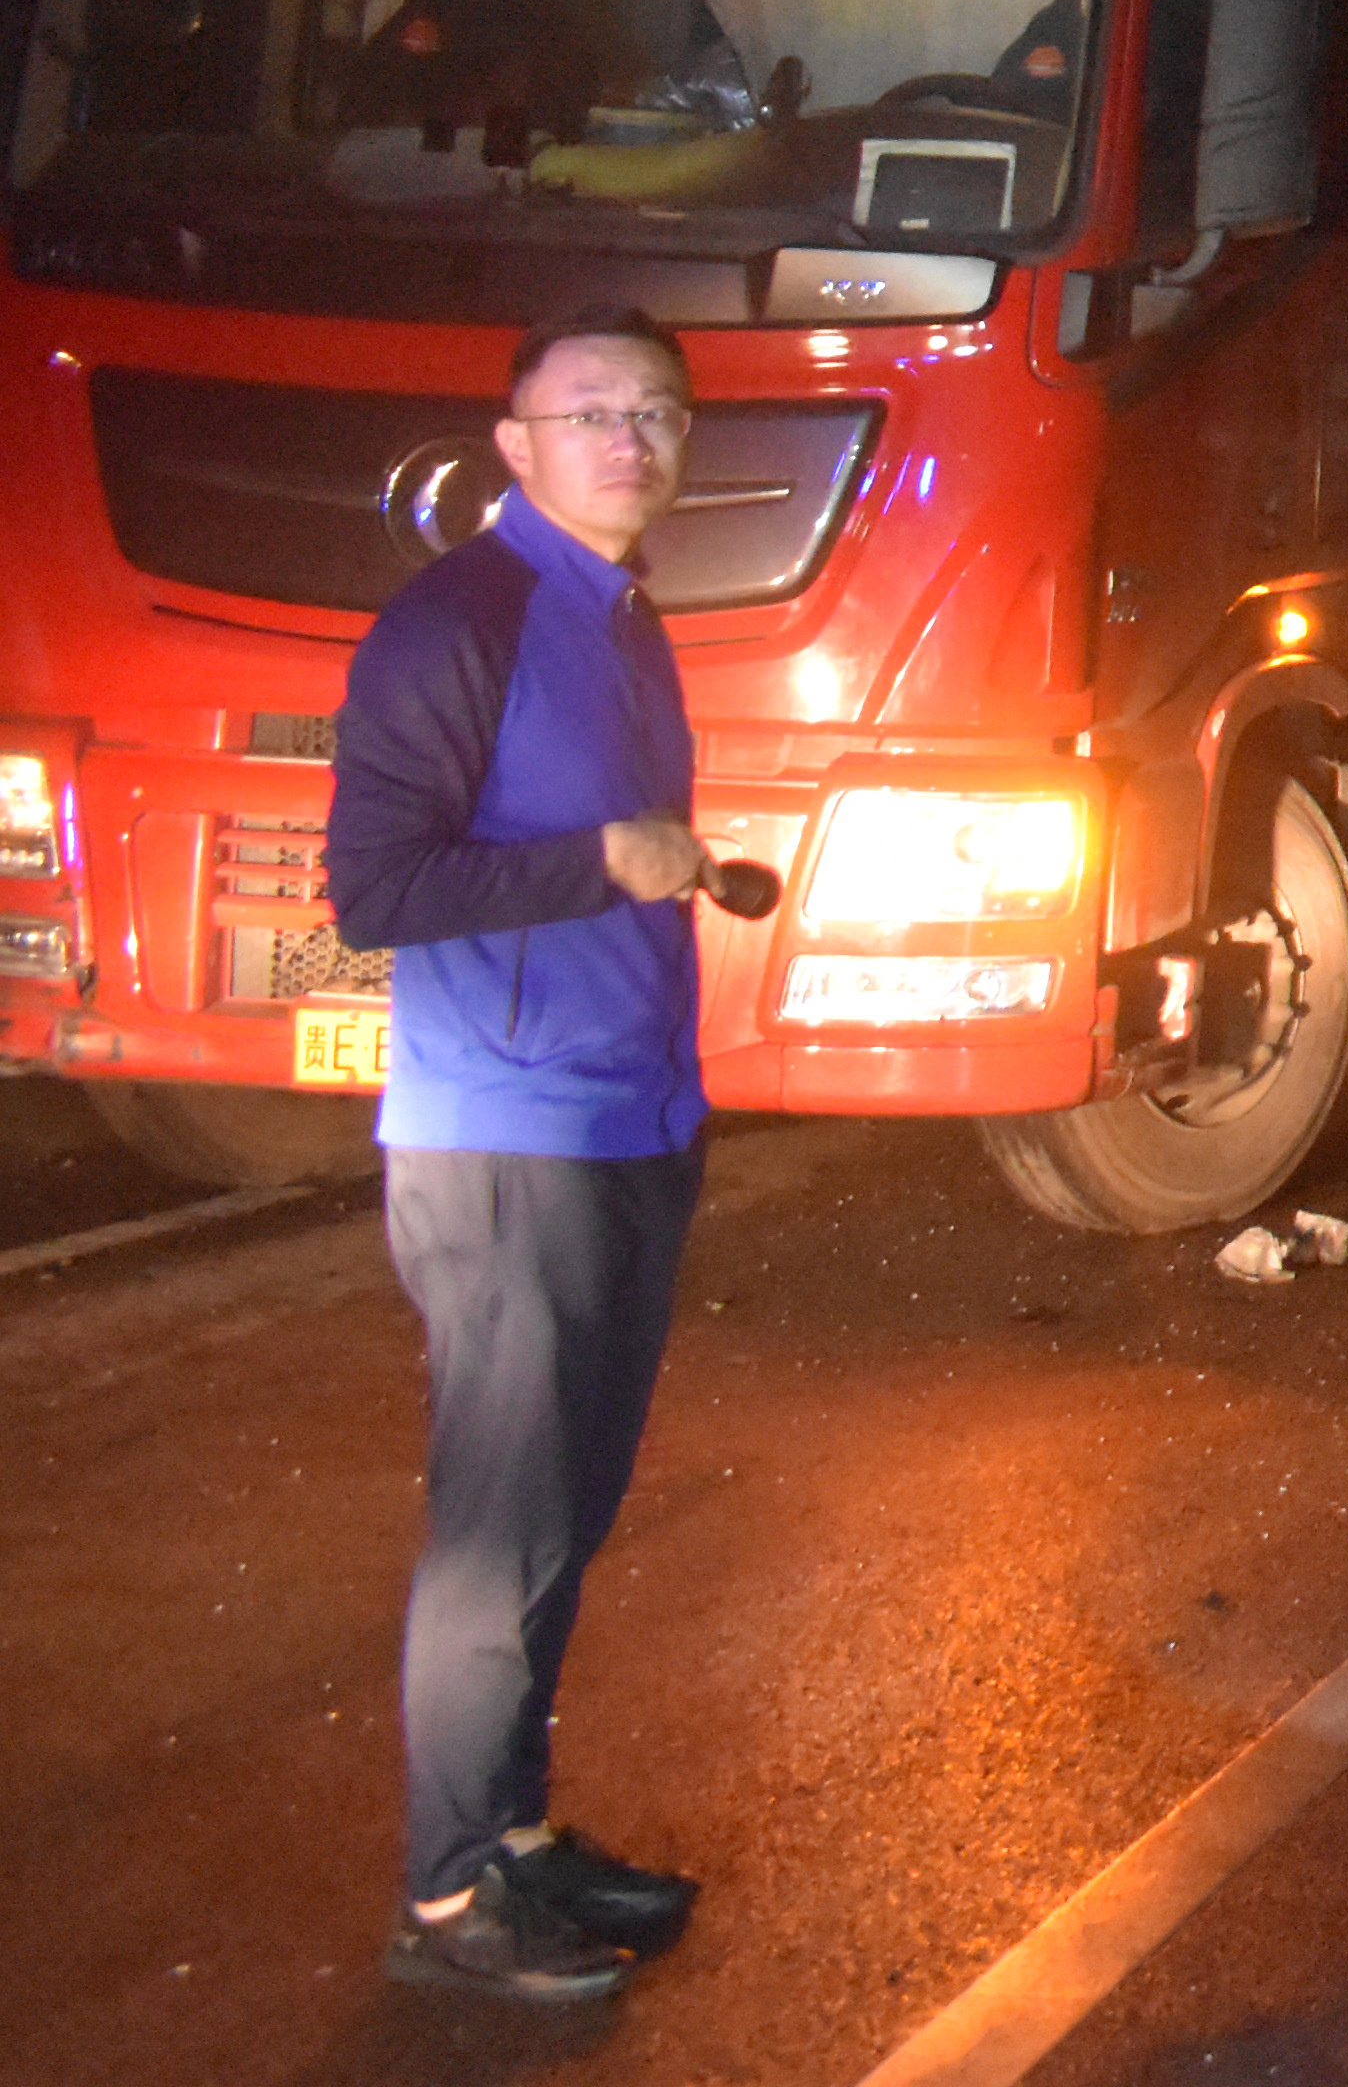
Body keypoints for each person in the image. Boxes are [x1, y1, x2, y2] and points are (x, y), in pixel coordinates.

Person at [324, 304, 721, 2000]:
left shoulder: (622, 617)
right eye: (588, 413)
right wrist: (603, 863)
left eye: (656, 414)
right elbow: (378, 889)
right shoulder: (457, 620)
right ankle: (447, 1901)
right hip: (507, 1144)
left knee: (565, 1516)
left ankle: (516, 1837)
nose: (628, 441)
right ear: (515, 444)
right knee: (502, 1532)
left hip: (629, 1121)